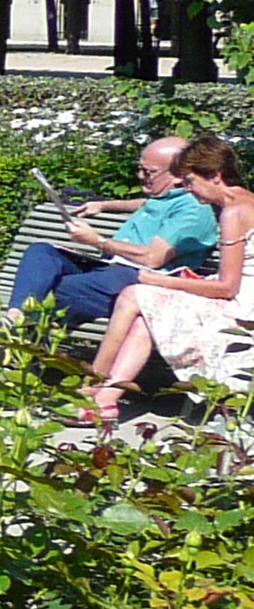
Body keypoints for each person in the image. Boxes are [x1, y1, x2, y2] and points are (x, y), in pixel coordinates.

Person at [81, 138, 254, 421]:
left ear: (215, 176)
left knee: (135, 294)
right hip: (241, 294)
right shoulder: (237, 200)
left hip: (243, 306)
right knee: (146, 315)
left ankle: (90, 385)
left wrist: (161, 281)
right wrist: (104, 205)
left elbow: (227, 287)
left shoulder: (234, 213)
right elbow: (152, 203)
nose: (186, 189)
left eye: (189, 181)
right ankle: (105, 400)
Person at [6, 136, 219, 323]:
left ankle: (19, 348)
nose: (141, 175)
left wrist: (98, 241)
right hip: (110, 269)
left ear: (179, 176)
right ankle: (14, 318)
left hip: (140, 280)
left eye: (149, 172)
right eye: (140, 169)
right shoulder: (167, 198)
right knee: (42, 252)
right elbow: (142, 204)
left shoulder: (194, 209)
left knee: (59, 289)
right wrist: (104, 205)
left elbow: (153, 258)